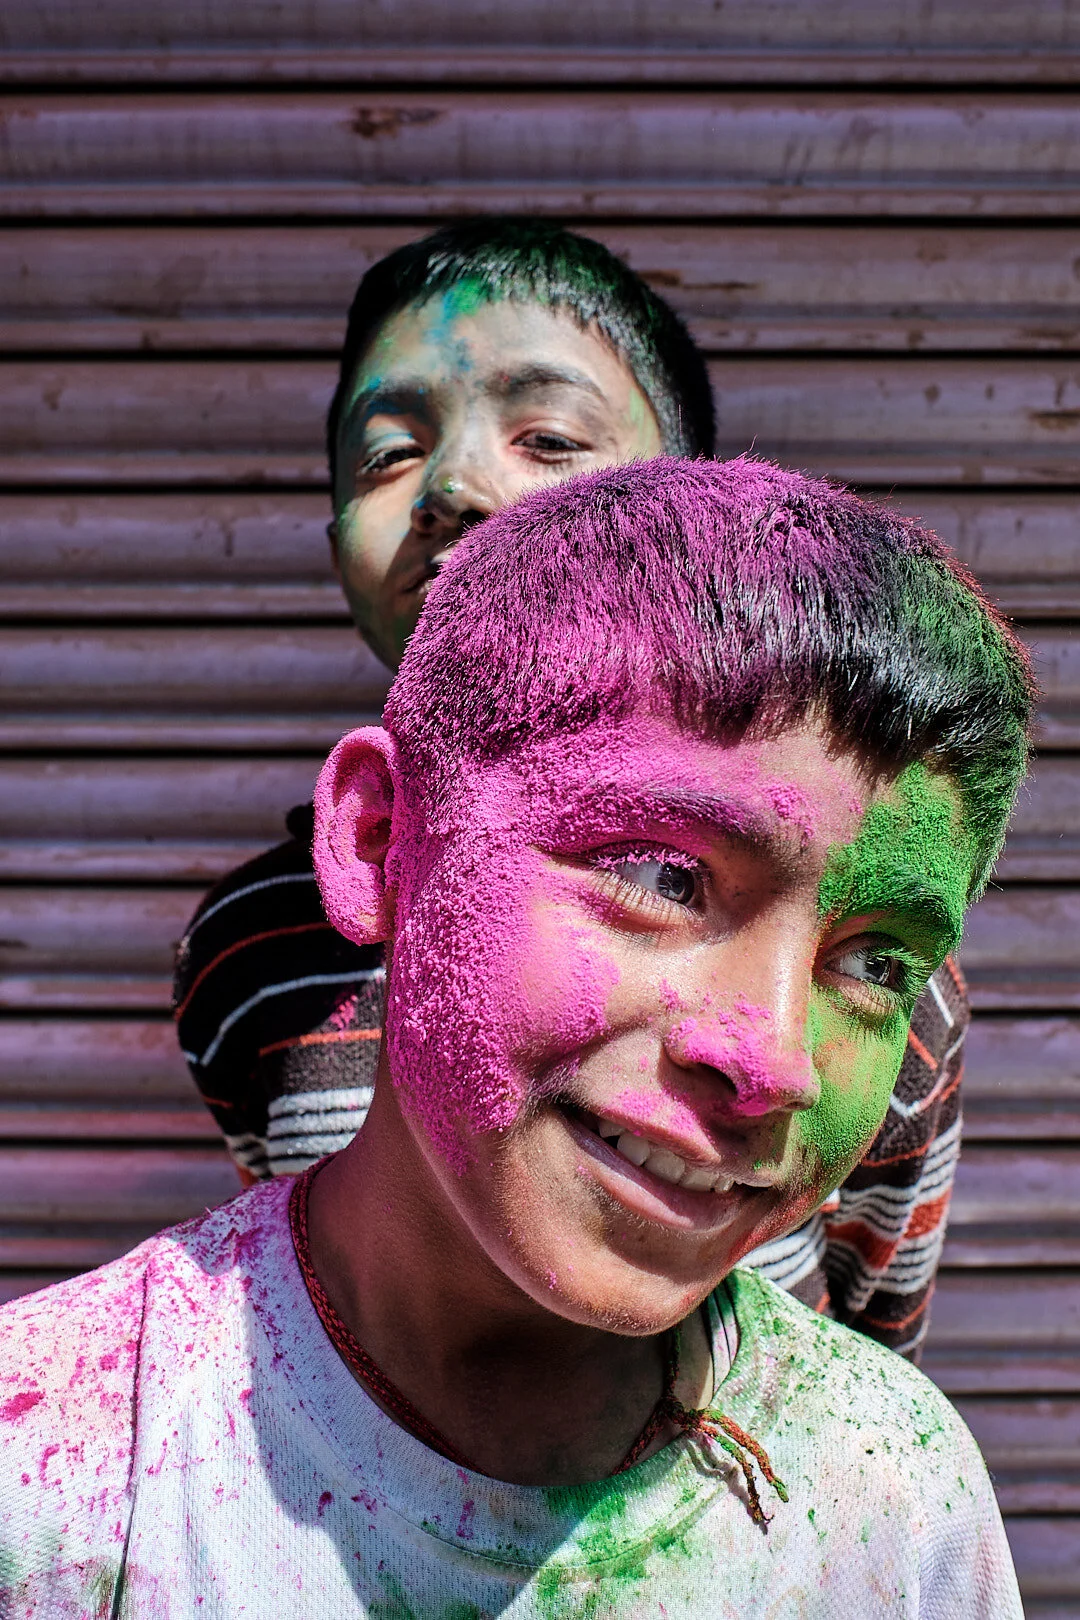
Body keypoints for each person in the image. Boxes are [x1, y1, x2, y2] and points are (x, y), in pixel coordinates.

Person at [1, 458, 1030, 1615]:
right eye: (660, 875)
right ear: (383, 837)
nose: (774, 1058)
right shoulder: (59, 1480)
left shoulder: (890, 1505)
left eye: (876, 962)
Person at [175, 220, 970, 1359]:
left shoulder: (870, 979)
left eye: (546, 434)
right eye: (387, 454)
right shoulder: (253, 954)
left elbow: (874, 1329)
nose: (451, 483)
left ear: (693, 511)